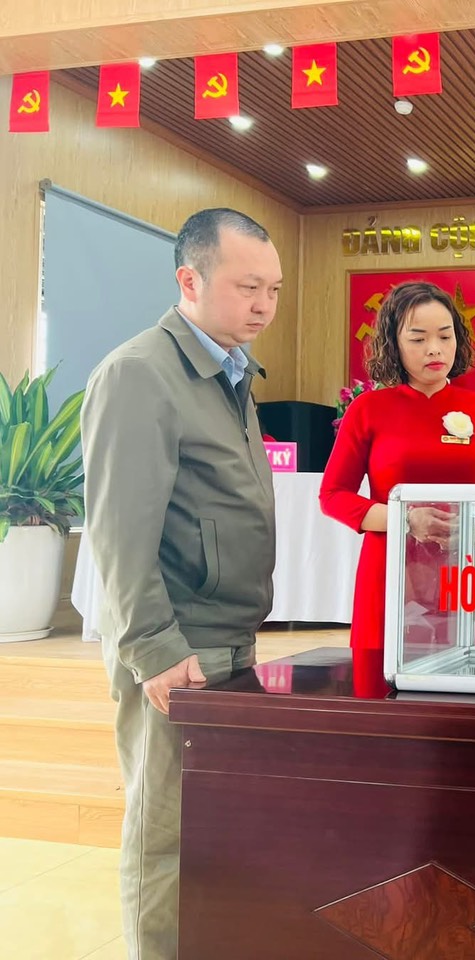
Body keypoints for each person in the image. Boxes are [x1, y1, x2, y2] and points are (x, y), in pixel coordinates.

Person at [81, 208, 283, 960]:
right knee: (164, 836)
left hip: (229, 641)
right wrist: (154, 648)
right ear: (189, 281)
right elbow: (118, 531)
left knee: (219, 828)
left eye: (274, 289)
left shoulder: (232, 373)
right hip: (177, 649)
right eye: (247, 287)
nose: (263, 305)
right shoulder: (141, 373)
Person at [320, 281, 475, 696]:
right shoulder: (368, 410)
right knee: (382, 700)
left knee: (473, 699)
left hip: (470, 574)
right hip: (391, 574)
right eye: (418, 338)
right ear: (394, 343)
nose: (434, 349)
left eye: (445, 336)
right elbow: (333, 496)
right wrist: (406, 519)